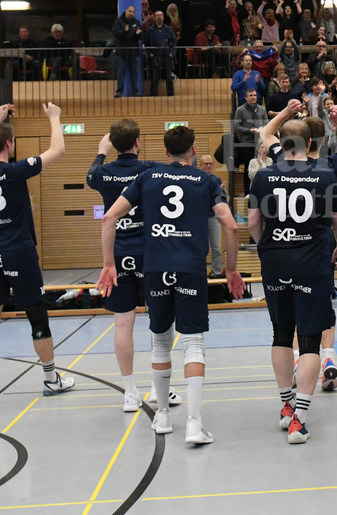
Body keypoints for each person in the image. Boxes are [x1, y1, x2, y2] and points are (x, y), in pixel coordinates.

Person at [98, 126, 245, 444]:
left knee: (160, 341)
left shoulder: (147, 178)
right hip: (189, 269)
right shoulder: (206, 181)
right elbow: (230, 226)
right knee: (192, 342)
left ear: (165, 152)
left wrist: (109, 264)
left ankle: (162, 416)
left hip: (155, 269)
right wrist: (231, 270)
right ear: (193, 151)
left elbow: (108, 218)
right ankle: (194, 423)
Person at [0, 102, 75, 408]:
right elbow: (58, 150)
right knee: (36, 315)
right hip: (19, 253)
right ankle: (52, 379)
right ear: (10, 145)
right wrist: (55, 118)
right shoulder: (14, 172)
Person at [248, 119, 337, 444]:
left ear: (283, 144)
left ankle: (286, 407)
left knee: (280, 333)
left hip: (275, 260)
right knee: (309, 339)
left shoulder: (263, 176)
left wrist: (268, 245)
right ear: (309, 144)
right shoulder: (325, 175)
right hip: (312, 262)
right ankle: (299, 421)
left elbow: (253, 221)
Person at [87, 120, 181, 411]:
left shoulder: (102, 173)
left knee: (122, 324)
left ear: (113, 144)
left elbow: (91, 174)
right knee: (159, 321)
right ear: (138, 141)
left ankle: (129, 393)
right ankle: (158, 387)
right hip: (150, 253)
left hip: (118, 256)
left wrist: (102, 152)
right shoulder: (150, 170)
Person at [196, 154, 226, 279]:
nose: (208, 166)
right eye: (206, 163)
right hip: (200, 217)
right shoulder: (196, 179)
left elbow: (222, 200)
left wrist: (221, 191)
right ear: (200, 165)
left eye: (210, 163)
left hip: (213, 217)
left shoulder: (216, 179)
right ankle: (200, 272)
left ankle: (216, 273)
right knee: (200, 248)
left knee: (217, 247)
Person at [144, 9, 176, 97]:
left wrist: (172, 53)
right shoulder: (150, 30)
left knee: (168, 77)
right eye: (157, 15)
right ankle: (153, 95)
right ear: (154, 17)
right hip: (155, 56)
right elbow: (146, 43)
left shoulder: (168, 29)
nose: (159, 17)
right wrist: (150, 52)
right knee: (154, 77)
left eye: (161, 15)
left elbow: (174, 42)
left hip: (166, 55)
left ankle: (171, 94)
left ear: (163, 17)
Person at [113, 6, 143, 98]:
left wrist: (139, 34)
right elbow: (116, 34)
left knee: (134, 73)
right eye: (130, 11)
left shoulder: (136, 22)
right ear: (125, 11)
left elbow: (141, 36)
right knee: (121, 72)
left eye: (133, 12)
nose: (131, 13)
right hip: (122, 52)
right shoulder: (119, 21)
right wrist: (124, 31)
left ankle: (135, 91)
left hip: (133, 52)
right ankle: (119, 91)